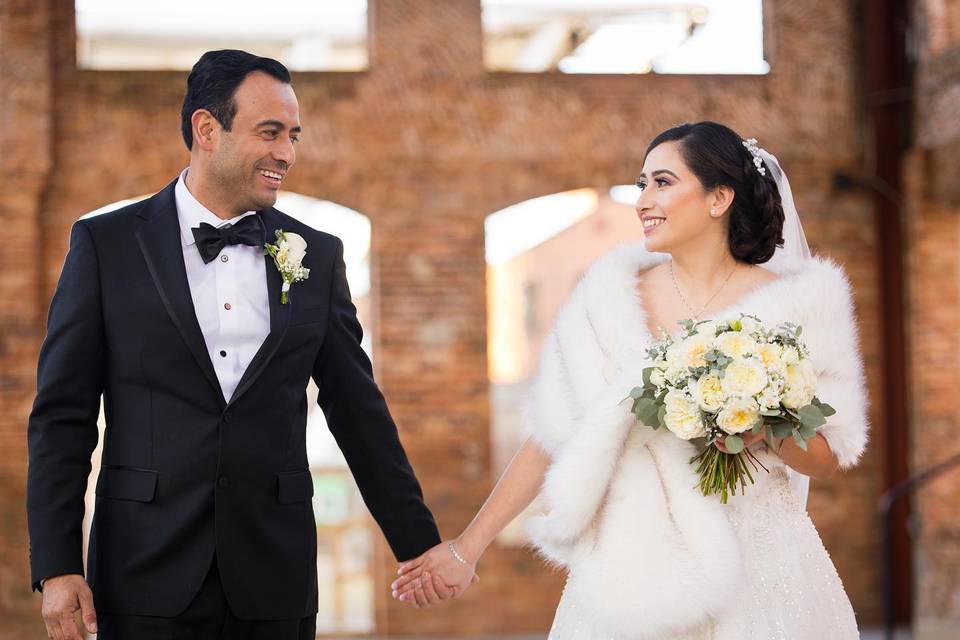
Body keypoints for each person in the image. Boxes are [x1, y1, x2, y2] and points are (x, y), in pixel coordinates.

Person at [27, 49, 446, 640]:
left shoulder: (317, 256)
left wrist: (418, 543)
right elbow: (62, 417)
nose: (287, 154)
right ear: (206, 129)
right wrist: (57, 566)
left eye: (293, 136)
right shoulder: (106, 245)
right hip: (141, 571)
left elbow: (357, 410)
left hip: (274, 573)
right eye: (269, 132)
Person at [391, 121, 868, 639]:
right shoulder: (607, 299)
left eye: (662, 182)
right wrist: (467, 547)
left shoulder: (803, 304)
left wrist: (757, 424)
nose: (642, 200)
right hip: (633, 567)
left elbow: (828, 456)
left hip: (762, 566)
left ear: (719, 198)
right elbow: (551, 436)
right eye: (641, 184)